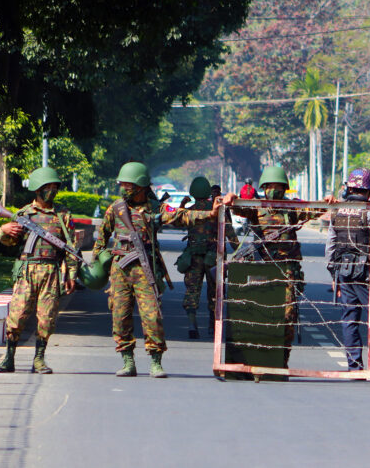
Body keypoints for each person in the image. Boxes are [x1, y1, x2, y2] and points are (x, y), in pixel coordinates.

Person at [95, 162, 233, 378]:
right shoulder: (116, 208)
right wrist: (99, 262)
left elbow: (182, 216)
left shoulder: (157, 209)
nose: (124, 188)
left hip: (145, 268)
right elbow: (101, 237)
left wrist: (211, 214)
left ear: (140, 186)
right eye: (122, 184)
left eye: (128, 185)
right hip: (119, 269)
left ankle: (156, 361)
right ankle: (127, 360)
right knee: (119, 316)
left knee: (152, 316)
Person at [0, 167, 78, 374]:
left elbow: (71, 248)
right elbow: (8, 242)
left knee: (47, 318)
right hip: (27, 271)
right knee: (17, 315)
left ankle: (39, 359)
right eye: (48, 187)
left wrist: (71, 275)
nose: (52, 190)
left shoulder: (63, 215)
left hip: (51, 272)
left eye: (55, 187)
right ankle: (9, 358)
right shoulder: (24, 214)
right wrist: (4, 230)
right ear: (37, 189)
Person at [231, 166, 321, 366]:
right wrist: (231, 198)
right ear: (264, 187)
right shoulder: (256, 207)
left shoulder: (291, 208)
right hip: (261, 270)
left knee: (288, 317)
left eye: (279, 186)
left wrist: (327, 203)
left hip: (287, 270)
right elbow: (239, 208)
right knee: (260, 315)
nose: (275, 190)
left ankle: (281, 360)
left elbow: (313, 211)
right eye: (271, 186)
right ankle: (258, 357)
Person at [324, 168, 370, 371]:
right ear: (369, 191)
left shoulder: (338, 211)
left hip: (344, 273)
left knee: (350, 319)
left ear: (349, 188)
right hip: (367, 274)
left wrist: (333, 274)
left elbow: (330, 247)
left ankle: (354, 365)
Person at [178, 176, 239, 339]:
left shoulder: (189, 211)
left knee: (192, 291)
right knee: (216, 292)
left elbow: (176, 221)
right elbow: (230, 232)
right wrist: (238, 249)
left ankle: (192, 324)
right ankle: (214, 325)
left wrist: (182, 206)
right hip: (214, 257)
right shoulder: (218, 210)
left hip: (193, 258)